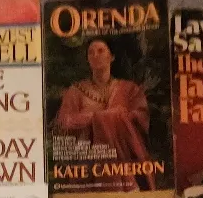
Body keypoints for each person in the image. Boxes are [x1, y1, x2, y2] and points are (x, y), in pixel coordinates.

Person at [53, 37, 155, 190]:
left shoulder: (129, 89)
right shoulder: (75, 91)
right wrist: (98, 117)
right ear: (87, 59)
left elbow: (141, 119)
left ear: (111, 56)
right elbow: (64, 122)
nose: (95, 55)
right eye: (91, 52)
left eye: (100, 51)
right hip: (87, 167)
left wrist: (116, 119)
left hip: (126, 165)